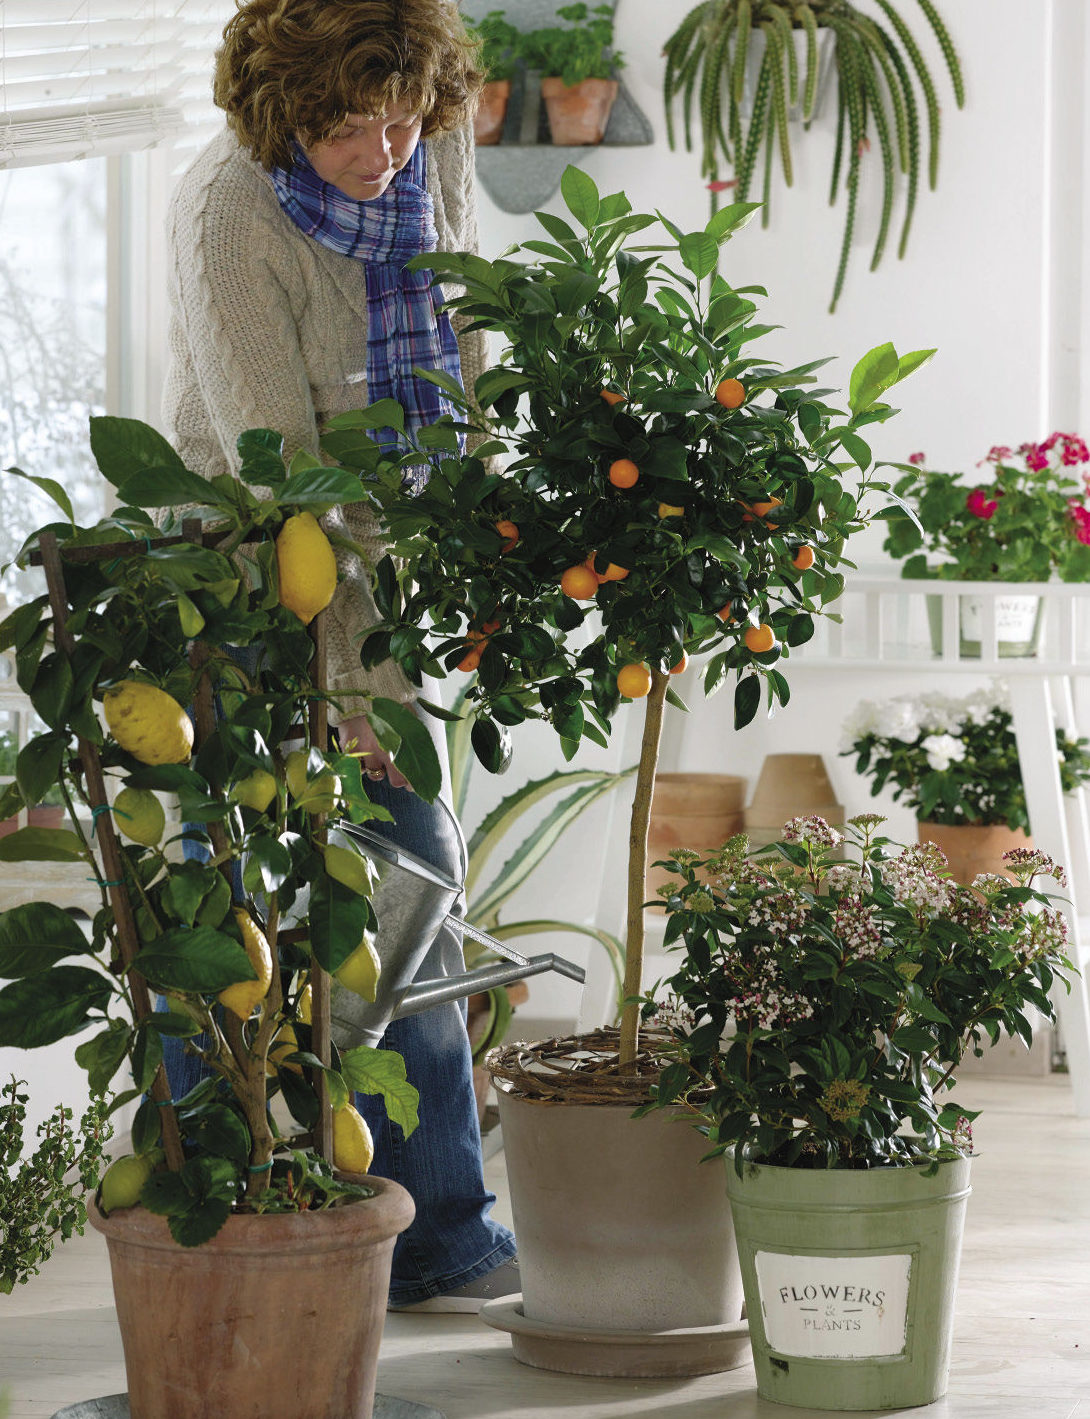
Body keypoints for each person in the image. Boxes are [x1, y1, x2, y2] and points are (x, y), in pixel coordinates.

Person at [161, 0, 517, 1313]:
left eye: (401, 117)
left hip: (393, 570)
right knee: (227, 916)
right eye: (344, 128)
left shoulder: (427, 135)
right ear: (278, 117)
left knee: (408, 896)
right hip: (251, 577)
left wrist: (479, 536)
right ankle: (213, 1229)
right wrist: (349, 686)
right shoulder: (227, 215)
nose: (383, 151)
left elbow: (459, 321)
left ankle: (439, 1241)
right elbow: (276, 475)